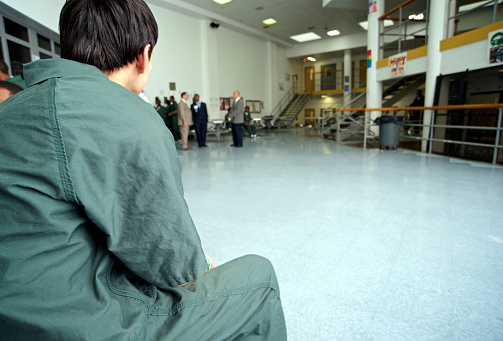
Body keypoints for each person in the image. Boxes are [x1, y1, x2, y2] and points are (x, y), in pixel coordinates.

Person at [0, 1, 287, 340]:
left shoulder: (12, 108)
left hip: (14, 314)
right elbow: (176, 268)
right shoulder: (125, 114)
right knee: (260, 278)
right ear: (143, 55)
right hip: (82, 324)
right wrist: (200, 264)